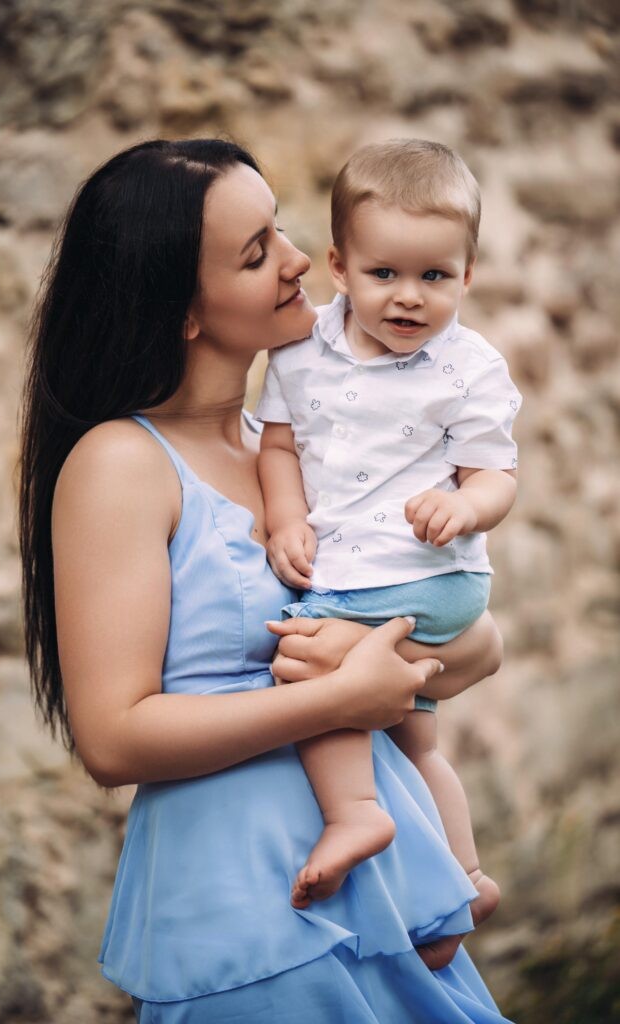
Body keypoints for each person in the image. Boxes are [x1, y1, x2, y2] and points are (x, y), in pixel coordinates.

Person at [19, 138, 512, 1022]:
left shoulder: (290, 449)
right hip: (250, 898)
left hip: (383, 885)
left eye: (278, 230)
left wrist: (407, 655)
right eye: (256, 254)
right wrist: (338, 698)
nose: (296, 262)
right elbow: (113, 738)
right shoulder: (120, 464)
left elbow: (475, 643)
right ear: (182, 311)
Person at [256, 139, 520, 935]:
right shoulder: (300, 351)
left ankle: (354, 813)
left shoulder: (469, 367)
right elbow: (276, 446)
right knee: (416, 743)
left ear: (467, 275)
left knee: (306, 664)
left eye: (435, 277)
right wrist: (287, 518)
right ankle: (466, 878)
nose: (409, 298)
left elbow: (496, 476)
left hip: (425, 573)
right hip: (348, 565)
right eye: (385, 275)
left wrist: (466, 510)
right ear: (341, 266)